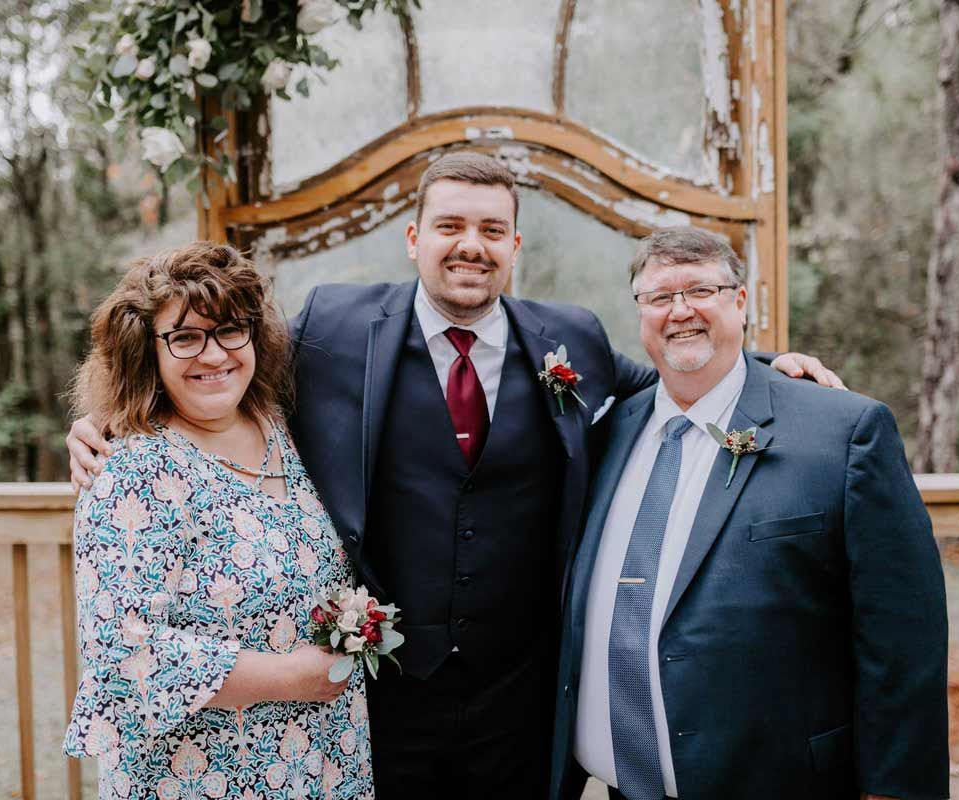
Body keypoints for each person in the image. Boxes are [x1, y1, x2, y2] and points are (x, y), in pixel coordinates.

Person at [67, 154, 842, 799]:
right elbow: (226, 373)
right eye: (450, 226)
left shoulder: (569, 337)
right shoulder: (333, 326)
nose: (470, 245)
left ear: (514, 247)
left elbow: (662, 382)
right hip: (377, 701)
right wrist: (107, 421)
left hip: (523, 698)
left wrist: (769, 368)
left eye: (491, 230)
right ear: (414, 238)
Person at [551, 227, 949, 800]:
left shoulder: (843, 433)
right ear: (640, 313)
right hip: (620, 785)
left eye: (701, 291)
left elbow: (903, 636)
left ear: (740, 301)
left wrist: (894, 787)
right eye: (660, 297)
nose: (680, 311)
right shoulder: (608, 432)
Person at [63, 243, 373, 799]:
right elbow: (124, 651)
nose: (213, 355)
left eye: (231, 330)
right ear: (146, 350)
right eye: (184, 337)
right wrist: (293, 679)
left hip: (323, 763)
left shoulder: (286, 428)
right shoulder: (133, 469)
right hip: (202, 774)